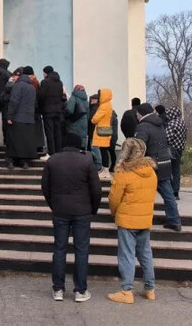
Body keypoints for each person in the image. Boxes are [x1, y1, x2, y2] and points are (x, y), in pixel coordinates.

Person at [41, 133, 102, 303]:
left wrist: (53, 204)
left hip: (60, 210)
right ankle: (80, 290)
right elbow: (96, 189)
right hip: (82, 212)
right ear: (78, 145)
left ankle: (58, 289)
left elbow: (44, 186)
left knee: (59, 249)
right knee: (81, 250)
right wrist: (93, 209)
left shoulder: (52, 160)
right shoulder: (87, 160)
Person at [107, 138, 158, 304]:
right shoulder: (151, 172)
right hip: (145, 218)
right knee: (145, 254)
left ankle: (127, 291)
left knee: (127, 254)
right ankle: (150, 289)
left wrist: (114, 212)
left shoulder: (123, 173)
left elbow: (114, 198)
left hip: (127, 219)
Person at [135, 103, 181, 231]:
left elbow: (139, 146)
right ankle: (174, 219)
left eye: (137, 113)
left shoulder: (143, 126)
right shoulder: (159, 124)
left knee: (140, 192)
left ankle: (141, 218)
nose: (136, 115)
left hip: (151, 164)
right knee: (168, 193)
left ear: (142, 113)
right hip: (164, 162)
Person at [6, 68, 37, 169]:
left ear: (17, 76)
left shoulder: (17, 86)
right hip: (29, 118)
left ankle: (12, 161)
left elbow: (13, 102)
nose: (13, 78)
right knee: (25, 141)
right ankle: (24, 162)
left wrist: (9, 116)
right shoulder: (31, 87)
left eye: (14, 76)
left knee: (14, 140)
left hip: (17, 118)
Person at [38, 66, 65, 156]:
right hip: (58, 110)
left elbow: (41, 96)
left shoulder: (45, 82)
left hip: (48, 111)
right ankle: (59, 152)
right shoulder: (59, 82)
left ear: (46, 73)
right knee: (58, 132)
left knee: (49, 132)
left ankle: (51, 153)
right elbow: (61, 95)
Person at [165, 107, 187, 199]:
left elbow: (166, 137)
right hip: (179, 149)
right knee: (176, 171)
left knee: (167, 171)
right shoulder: (183, 123)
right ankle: (176, 191)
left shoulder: (172, 124)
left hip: (171, 150)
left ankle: (170, 191)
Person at [91, 89, 114, 180]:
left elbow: (95, 119)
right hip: (105, 129)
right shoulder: (108, 105)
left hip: (102, 130)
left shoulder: (104, 106)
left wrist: (93, 119)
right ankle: (105, 170)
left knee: (103, 151)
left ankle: (106, 171)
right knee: (104, 150)